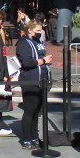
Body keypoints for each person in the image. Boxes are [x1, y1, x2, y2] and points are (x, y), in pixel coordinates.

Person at [16, 19, 53, 149]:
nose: (40, 33)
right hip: (30, 80)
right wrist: (43, 61)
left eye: (41, 30)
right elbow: (26, 62)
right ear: (30, 30)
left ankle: (34, 137)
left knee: (37, 111)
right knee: (30, 110)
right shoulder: (23, 43)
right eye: (37, 30)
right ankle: (27, 139)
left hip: (42, 79)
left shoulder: (38, 42)